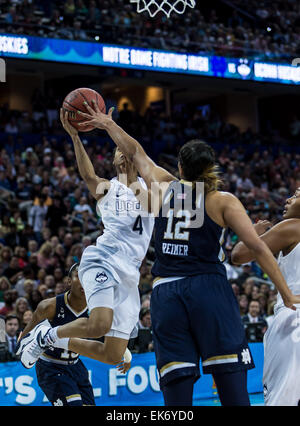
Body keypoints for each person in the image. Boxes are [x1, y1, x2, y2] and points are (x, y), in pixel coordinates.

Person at [68, 100, 300, 406]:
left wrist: (108, 125)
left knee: (177, 393)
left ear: (179, 168)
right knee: (231, 383)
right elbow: (256, 248)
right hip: (207, 286)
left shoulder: (165, 190)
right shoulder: (222, 200)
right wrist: (285, 293)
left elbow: (136, 153)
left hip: (166, 292)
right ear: (211, 167)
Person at [17, 109, 155, 372]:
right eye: (117, 150)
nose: (122, 152)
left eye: (125, 148)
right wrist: (75, 137)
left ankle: (57, 339)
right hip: (102, 259)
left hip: (130, 272)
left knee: (114, 355)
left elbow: (153, 201)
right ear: (114, 160)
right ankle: (45, 337)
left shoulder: (151, 190)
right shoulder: (109, 188)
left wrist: (135, 173)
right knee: (99, 324)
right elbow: (88, 176)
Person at [231, 189, 300, 406]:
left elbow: (239, 255)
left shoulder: (292, 227)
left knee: (281, 399)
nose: (288, 199)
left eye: (297, 195)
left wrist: (253, 231)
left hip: (293, 321)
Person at [17, 264, 95, 406]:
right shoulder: (49, 306)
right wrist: (25, 347)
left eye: (88, 276)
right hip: (51, 366)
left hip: (76, 366)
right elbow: (24, 338)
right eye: (79, 276)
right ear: (69, 281)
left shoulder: (97, 309)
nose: (84, 280)